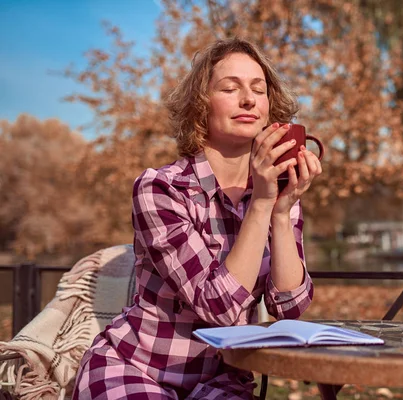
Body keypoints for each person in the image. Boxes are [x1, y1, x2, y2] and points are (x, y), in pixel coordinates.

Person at [73, 37, 321, 400]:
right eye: (229, 88)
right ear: (200, 106)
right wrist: (262, 204)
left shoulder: (274, 194)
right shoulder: (160, 188)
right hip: (135, 368)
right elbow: (217, 308)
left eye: (258, 89)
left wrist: (281, 212)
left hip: (223, 379)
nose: (249, 99)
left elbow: (289, 308)